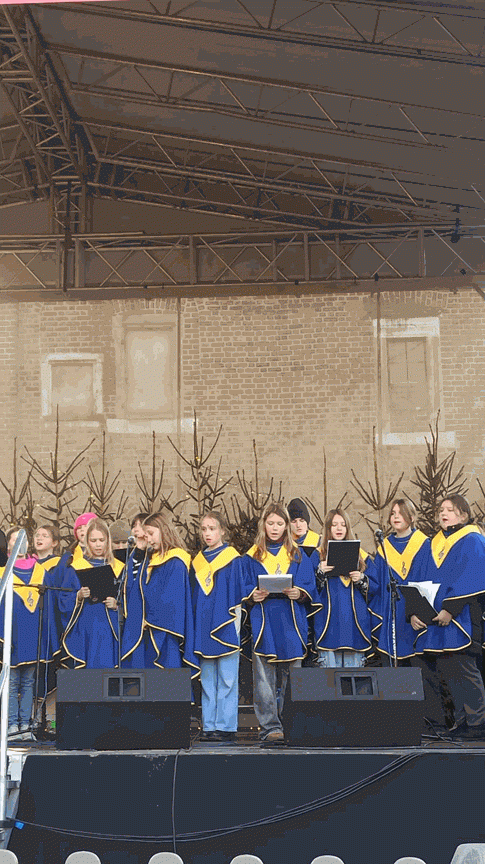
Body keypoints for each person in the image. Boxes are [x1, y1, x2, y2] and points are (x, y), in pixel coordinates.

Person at [243, 503, 320, 742]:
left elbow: (309, 585)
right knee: (264, 677)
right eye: (270, 523)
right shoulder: (252, 556)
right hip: (264, 621)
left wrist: (300, 593)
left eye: (279, 523)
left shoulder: (297, 554)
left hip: (291, 621)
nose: (275, 528)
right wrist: (252, 595)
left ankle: (291, 722)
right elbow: (243, 585)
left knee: (292, 675)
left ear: (286, 526)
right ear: (263, 525)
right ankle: (270, 727)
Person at [410, 495, 485, 739]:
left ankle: (477, 723)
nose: (443, 513)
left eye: (450, 510)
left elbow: (472, 577)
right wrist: (414, 611)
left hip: (463, 618)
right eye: (441, 509)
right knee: (448, 671)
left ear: (463, 514)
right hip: (436, 622)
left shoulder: (473, 539)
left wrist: (450, 609)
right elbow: (416, 579)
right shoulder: (432, 544)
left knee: (465, 670)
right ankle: (461, 722)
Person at [122, 511, 198, 677]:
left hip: (164, 630)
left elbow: (170, 599)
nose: (148, 539)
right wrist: (139, 549)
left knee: (166, 678)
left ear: (164, 530)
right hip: (145, 629)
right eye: (146, 535)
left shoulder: (177, 560)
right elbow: (133, 586)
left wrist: (148, 617)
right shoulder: (149, 558)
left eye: (151, 534)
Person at [192, 511, 245, 743]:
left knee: (227, 677)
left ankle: (226, 725)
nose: (207, 534)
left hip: (226, 624)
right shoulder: (197, 562)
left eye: (212, 528)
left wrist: (235, 624)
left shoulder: (232, 559)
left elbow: (238, 595)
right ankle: (209, 725)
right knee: (207, 678)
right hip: (204, 624)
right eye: (204, 529)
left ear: (223, 530)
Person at [0, 527, 50, 739]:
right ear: (8, 545)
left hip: (31, 635)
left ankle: (26, 726)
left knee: (29, 682)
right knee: (11, 683)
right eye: (15, 540)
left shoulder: (40, 571)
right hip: (11, 635)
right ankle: (12, 725)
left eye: (23, 540)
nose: (20, 544)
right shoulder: (3, 572)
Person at [313, 509, 377, 668]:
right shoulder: (318, 555)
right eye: (334, 525)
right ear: (328, 528)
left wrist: (361, 579)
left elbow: (375, 589)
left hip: (355, 626)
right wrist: (320, 572)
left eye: (343, 525)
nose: (339, 528)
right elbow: (309, 591)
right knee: (329, 680)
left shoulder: (361, 556)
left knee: (353, 679)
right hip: (328, 624)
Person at [370, 499, 430, 664]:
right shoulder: (385, 548)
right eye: (393, 513)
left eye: (401, 513)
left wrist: (419, 611)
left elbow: (428, 581)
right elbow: (377, 585)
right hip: (391, 615)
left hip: (416, 616)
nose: (396, 517)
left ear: (412, 517)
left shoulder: (423, 544)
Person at [60, 517, 124, 668]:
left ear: (108, 541)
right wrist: (78, 596)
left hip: (110, 625)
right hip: (86, 626)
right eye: (93, 540)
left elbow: (129, 598)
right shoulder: (76, 567)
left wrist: (117, 605)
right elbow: (64, 598)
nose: (98, 544)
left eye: (101, 540)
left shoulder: (120, 567)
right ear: (86, 541)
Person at [288, 498, 320, 563]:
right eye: (294, 521)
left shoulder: (318, 540)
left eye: (302, 521)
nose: (298, 525)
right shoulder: (284, 541)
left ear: (307, 522)